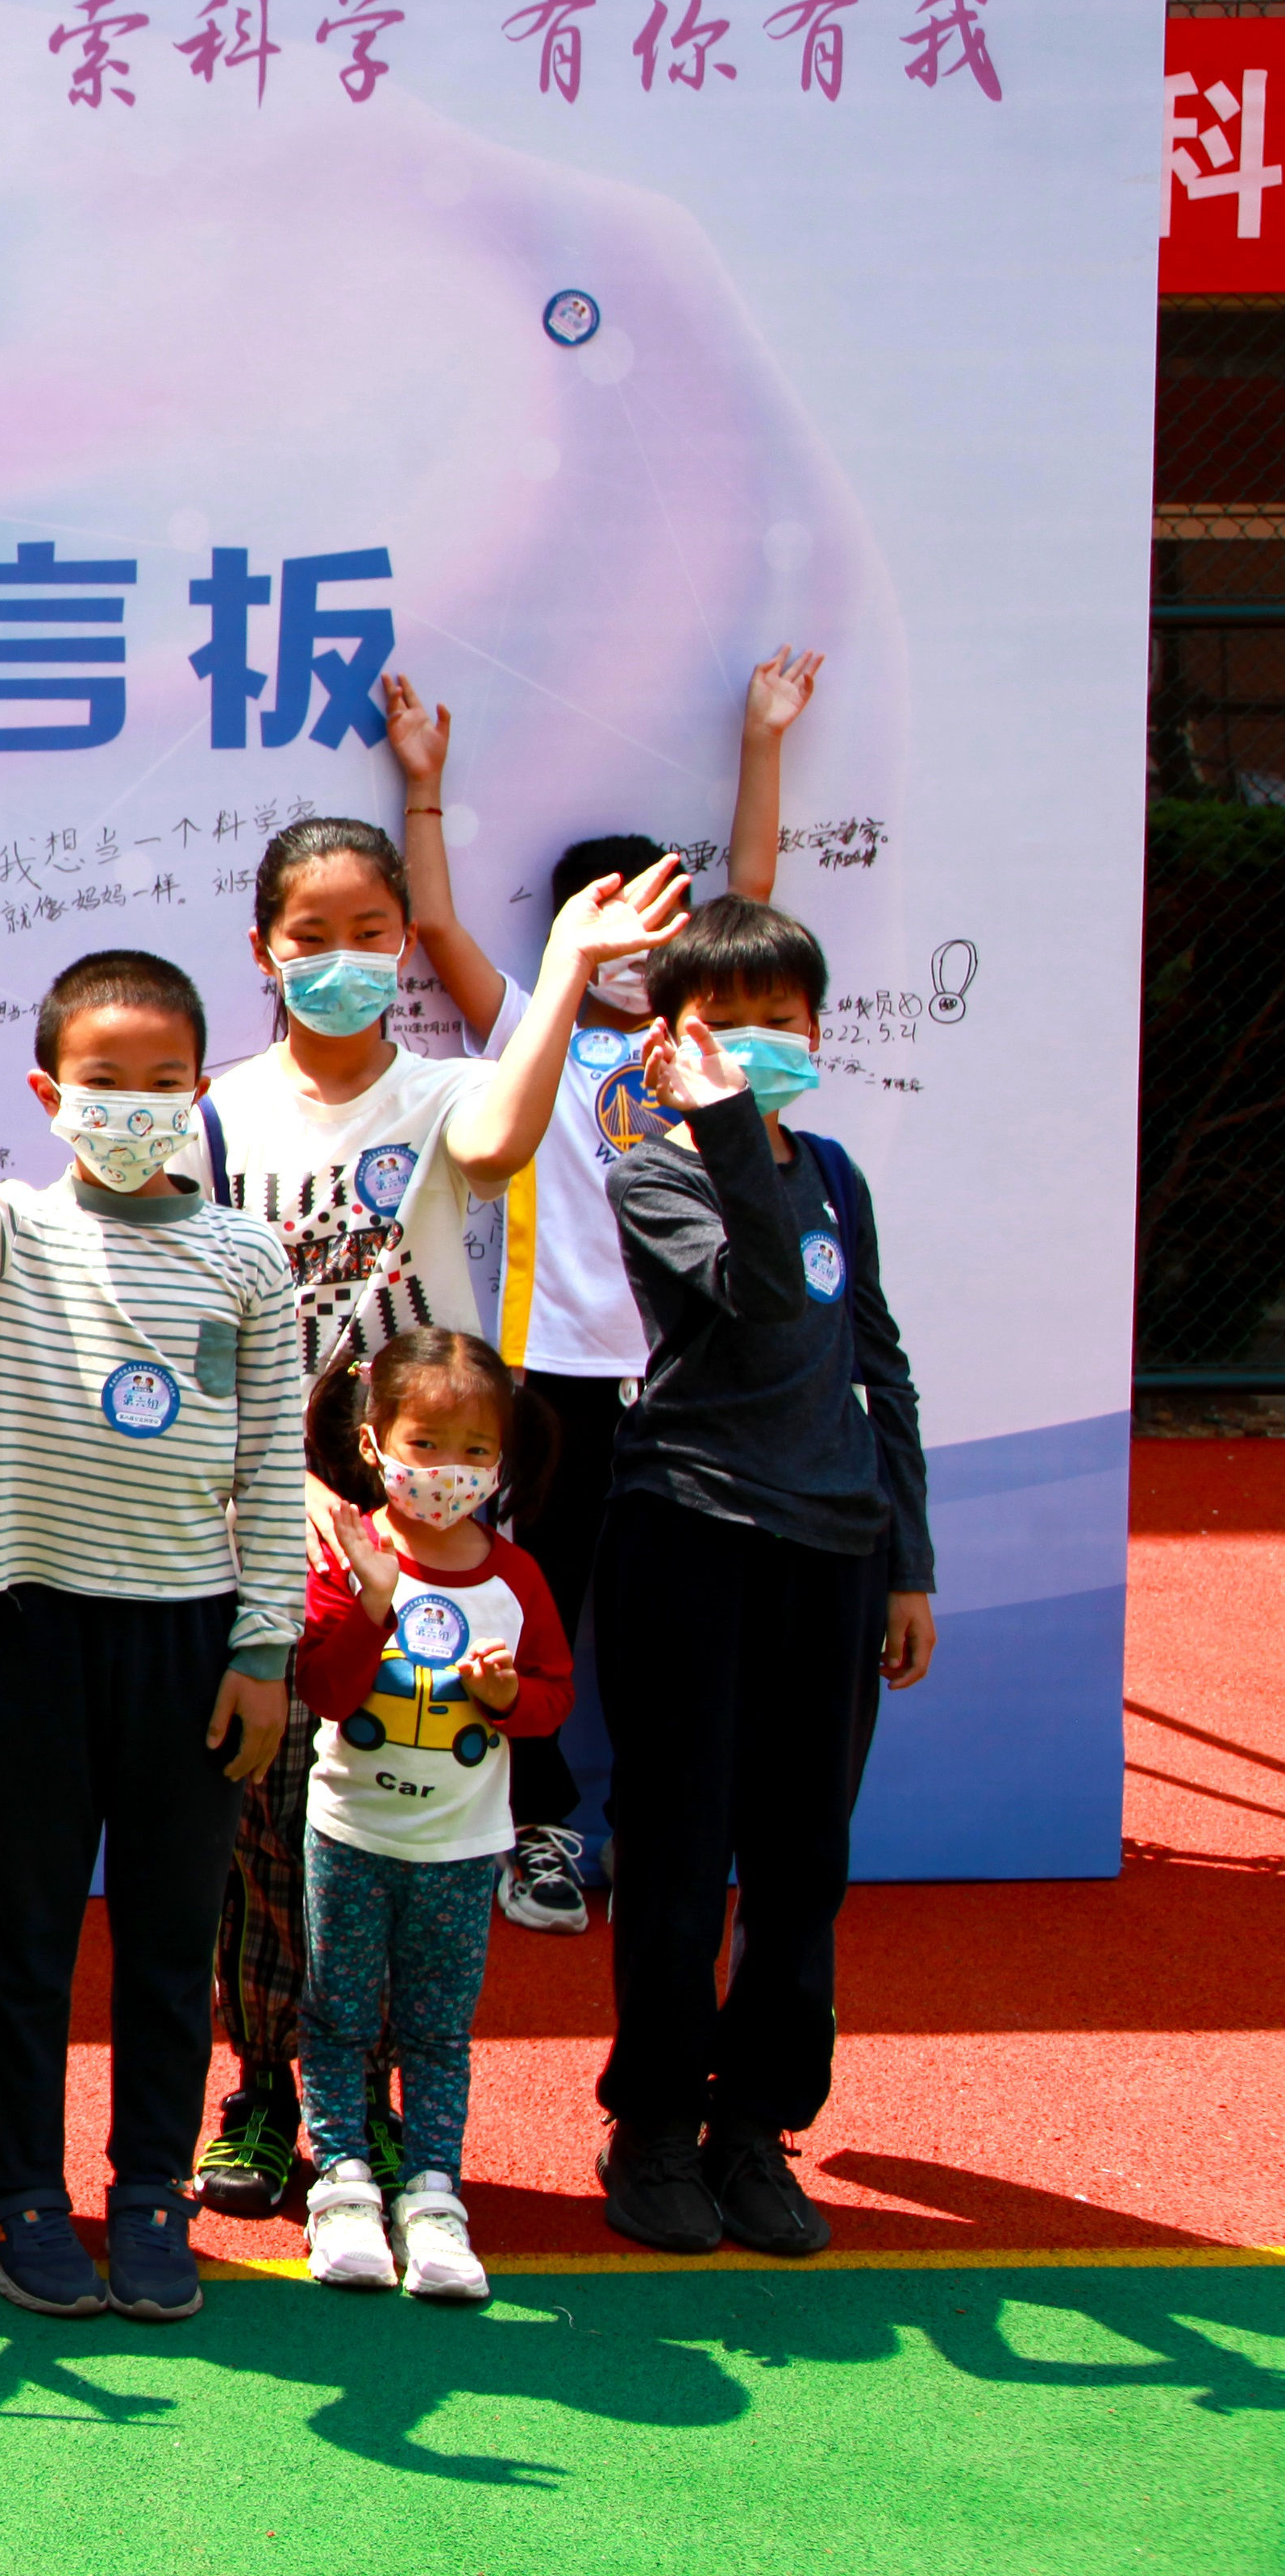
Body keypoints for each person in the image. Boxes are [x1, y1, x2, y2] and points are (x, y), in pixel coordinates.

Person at [190, 746, 686, 2217]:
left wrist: (573, 964)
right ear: (263, 948)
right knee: (263, 1830)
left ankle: (387, 2111)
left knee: (409, 1832)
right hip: (267, 1529)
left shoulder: (449, 1090)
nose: (341, 959)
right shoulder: (214, 1111)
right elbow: (201, 1329)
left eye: (370, 932)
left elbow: (505, 1138)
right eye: (312, 934)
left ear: (405, 943)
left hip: (430, 1537)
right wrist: (273, 1487)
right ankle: (263, 2096)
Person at [0, 871, 297, 2328]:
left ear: (202, 1089)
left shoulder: (247, 1256)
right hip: (40, 1628)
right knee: (30, 1932)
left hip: (193, 1640)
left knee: (169, 1937)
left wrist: (265, 1646)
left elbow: (273, 1464)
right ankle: (18, 2191)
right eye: (105, 1083)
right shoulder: (4, 1235)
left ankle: (151, 2186)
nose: (135, 1107)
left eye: (165, 1083)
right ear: (48, 1094)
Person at [416, 648, 824, 1935]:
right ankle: (538, 1828)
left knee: (677, 1619)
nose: (641, 950)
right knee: (537, 1597)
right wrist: (425, 785)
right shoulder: (533, 1030)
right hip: (557, 1373)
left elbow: (754, 891)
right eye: (616, 923)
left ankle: (680, 1828)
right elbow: (436, 929)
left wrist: (764, 739)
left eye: (662, 923)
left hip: (694, 1374)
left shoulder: (701, 1040)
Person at [596, 895, 933, 2262]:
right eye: (721, 1025)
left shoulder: (836, 1173)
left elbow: (875, 1359)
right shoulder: (652, 1173)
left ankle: (754, 2123)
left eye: (779, 1021)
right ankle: (654, 2125)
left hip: (837, 1552)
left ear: (819, 1030)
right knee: (680, 1853)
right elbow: (766, 1297)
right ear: (668, 1043)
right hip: (692, 1531)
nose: (753, 1045)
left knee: (803, 1862)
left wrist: (907, 1559)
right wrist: (727, 1121)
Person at [289, 1330, 573, 2307]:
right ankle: (341, 2186)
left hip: (459, 1849)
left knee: (439, 2029)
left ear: (503, 1459)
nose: (449, 1470)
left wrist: (507, 1699)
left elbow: (554, 1698)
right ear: (375, 1444)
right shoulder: (350, 1553)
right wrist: (371, 1605)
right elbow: (326, 1692)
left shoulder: (516, 1577)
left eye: (475, 1451)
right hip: (350, 1837)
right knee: (337, 2017)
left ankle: (433, 2195)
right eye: (427, 1444)